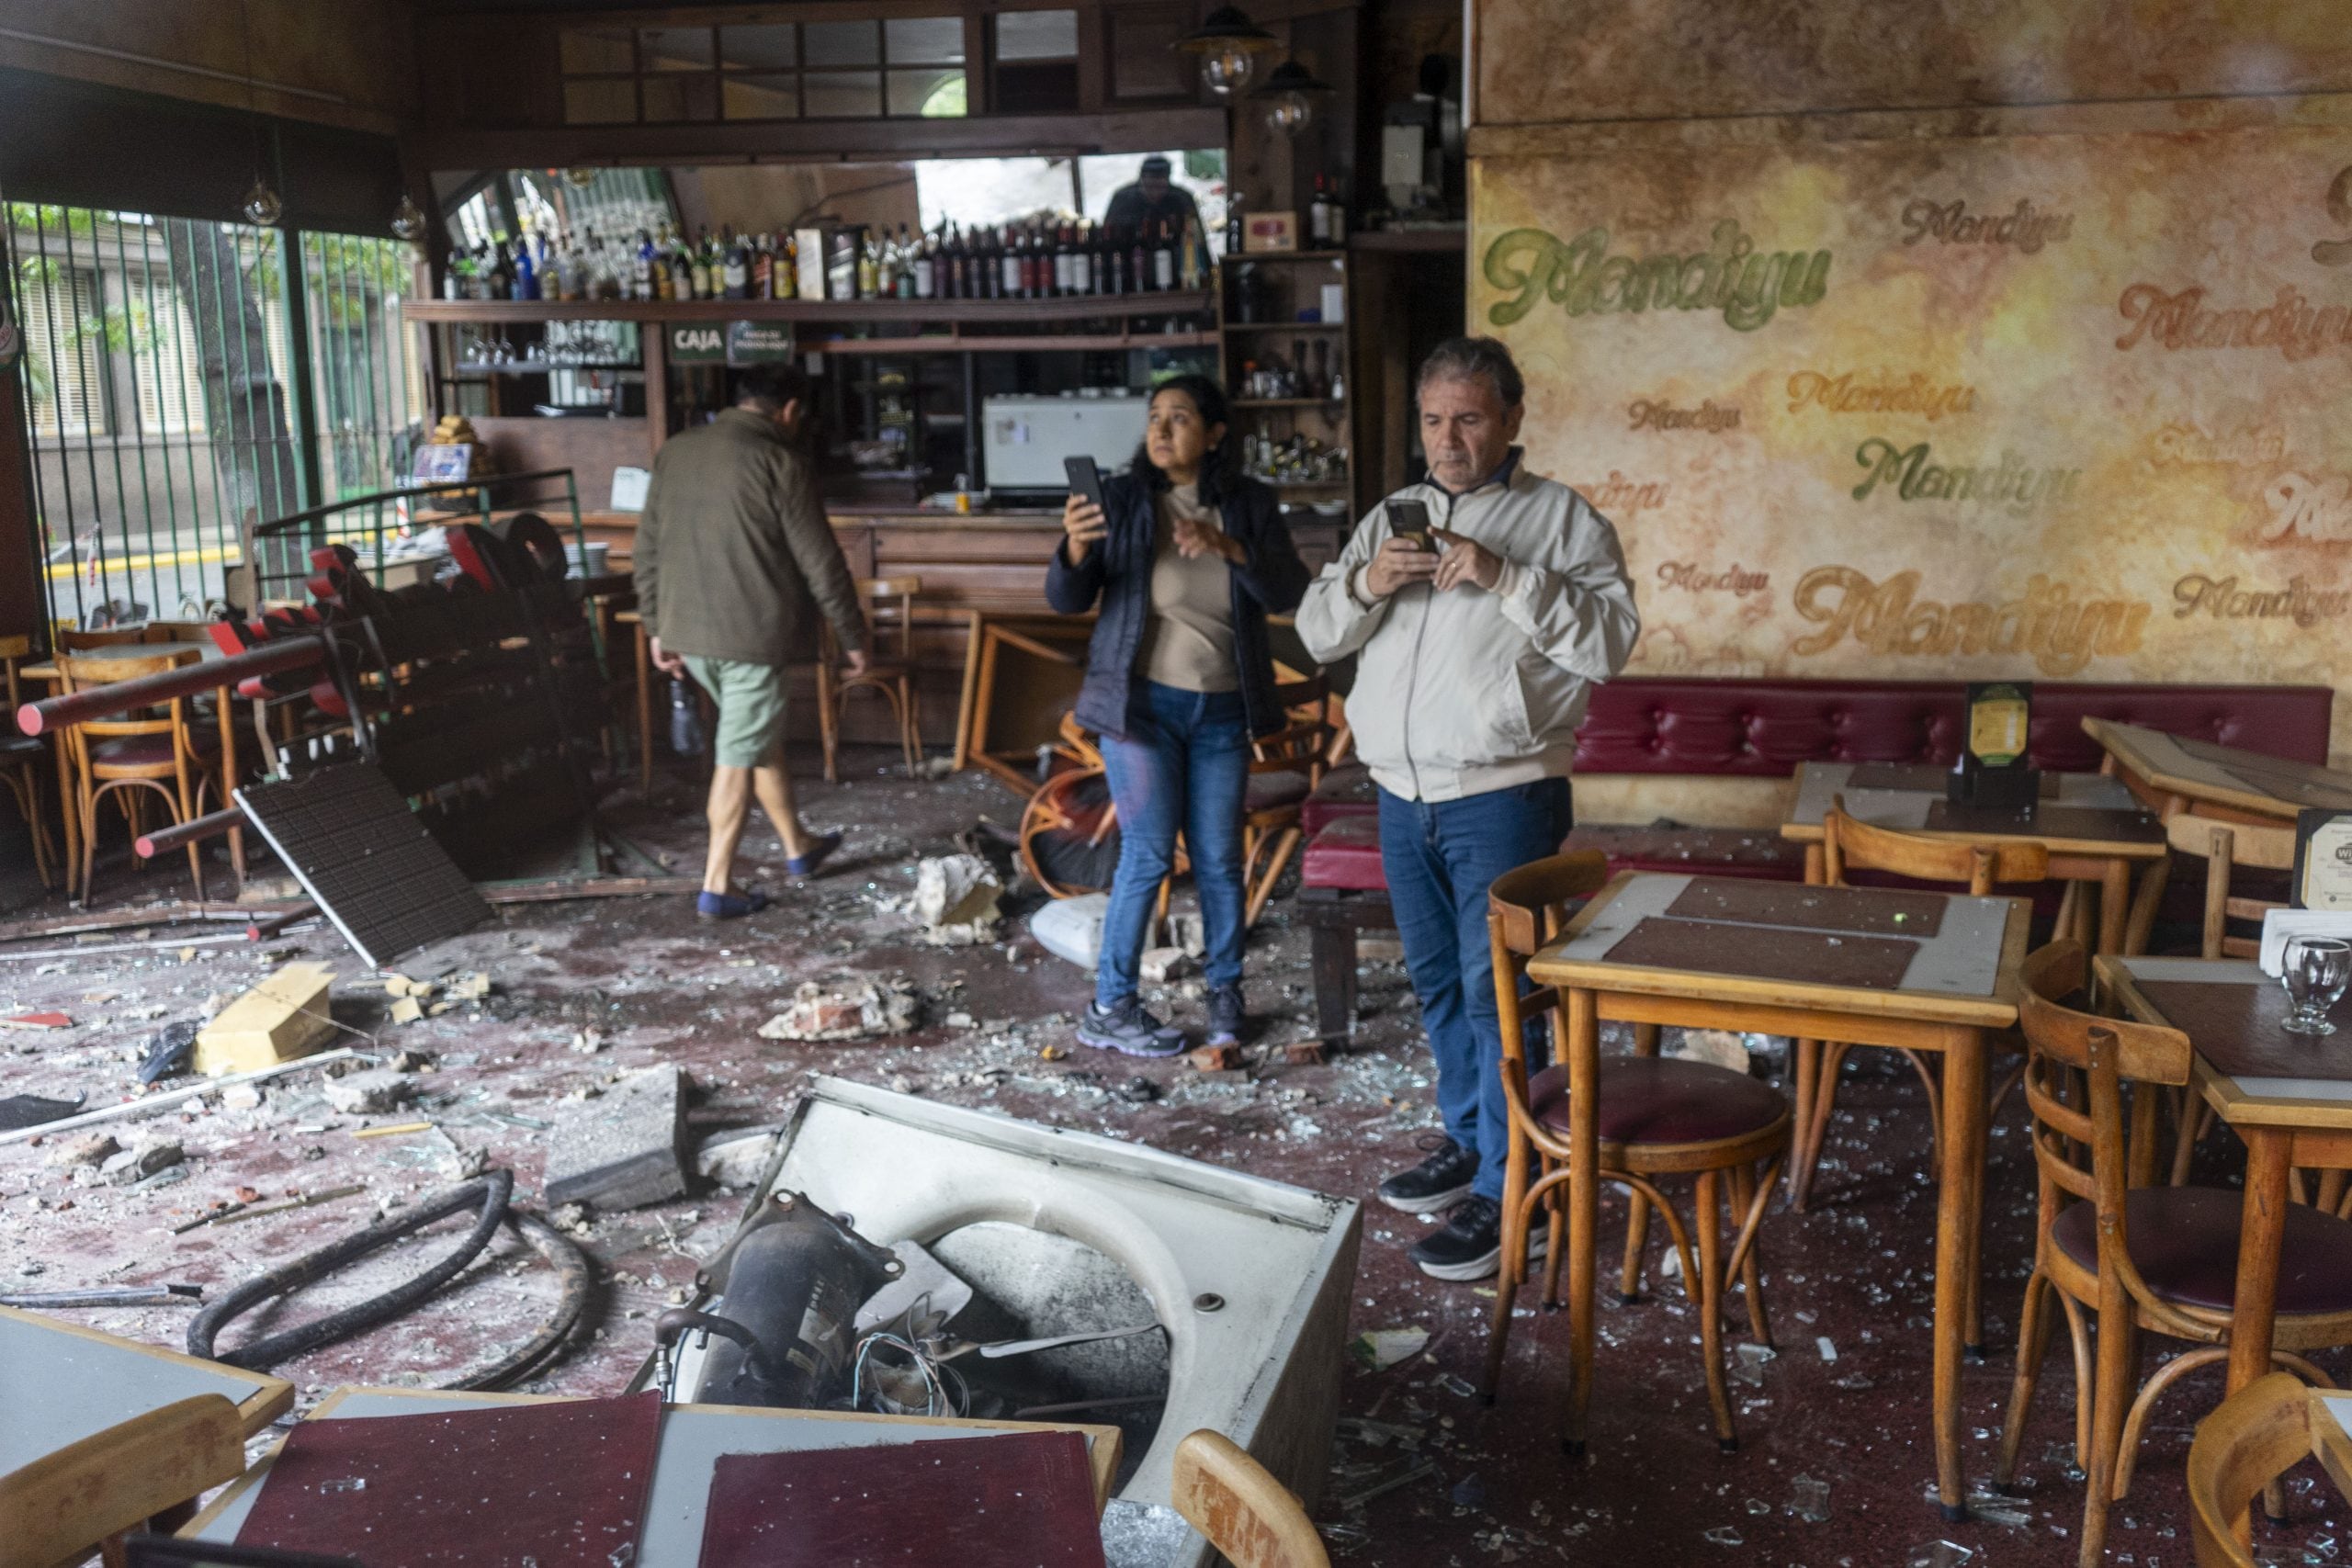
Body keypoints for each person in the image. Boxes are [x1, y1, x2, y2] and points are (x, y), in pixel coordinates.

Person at [1295, 337, 1640, 1280]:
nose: (1447, 440)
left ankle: (1511, 1189)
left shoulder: (1561, 521)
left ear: (1513, 420)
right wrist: (1369, 582)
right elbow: (1316, 628)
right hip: (1402, 794)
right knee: (1440, 984)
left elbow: (1609, 645)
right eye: (1433, 420)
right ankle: (1469, 1139)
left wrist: (1503, 575)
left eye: (1469, 418)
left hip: (1504, 794)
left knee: (1502, 1000)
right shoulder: (1390, 518)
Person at [1046, 375, 1310, 1055]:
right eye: (1155, 417)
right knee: (1148, 854)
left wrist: (1230, 548)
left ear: (1216, 433)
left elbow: (1289, 590)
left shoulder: (1248, 503)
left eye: (1181, 417)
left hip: (1224, 707)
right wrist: (1074, 548)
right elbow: (1067, 599)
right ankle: (1112, 1003)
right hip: (1141, 709)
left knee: (1222, 860)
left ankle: (1226, 990)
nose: (1161, 430)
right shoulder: (1123, 498)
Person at [636, 365, 868, 919]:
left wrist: (655, 625)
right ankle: (718, 884)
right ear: (789, 411)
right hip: (749, 640)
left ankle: (799, 847)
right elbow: (822, 562)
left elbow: (648, 548)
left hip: (689, 636)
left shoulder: (676, 451)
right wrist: (853, 635)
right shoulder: (780, 461)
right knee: (738, 754)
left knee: (756, 739)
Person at [1102, 155, 1204, 239]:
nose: (1155, 193)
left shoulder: (1182, 199)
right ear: (1141, 181)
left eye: (1160, 187)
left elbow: (1197, 239)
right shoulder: (1123, 200)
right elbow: (1108, 235)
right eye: (1150, 187)